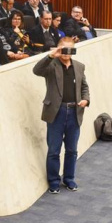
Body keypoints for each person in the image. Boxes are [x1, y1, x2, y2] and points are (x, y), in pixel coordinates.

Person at [33, 38, 90, 194]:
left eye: (69, 49)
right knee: (54, 150)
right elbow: (36, 70)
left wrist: (86, 99)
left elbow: (84, 86)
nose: (66, 53)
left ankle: (69, 179)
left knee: (72, 150)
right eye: (63, 49)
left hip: (75, 112)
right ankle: (53, 181)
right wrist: (52, 55)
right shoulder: (51, 65)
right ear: (58, 49)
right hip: (56, 113)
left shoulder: (79, 66)